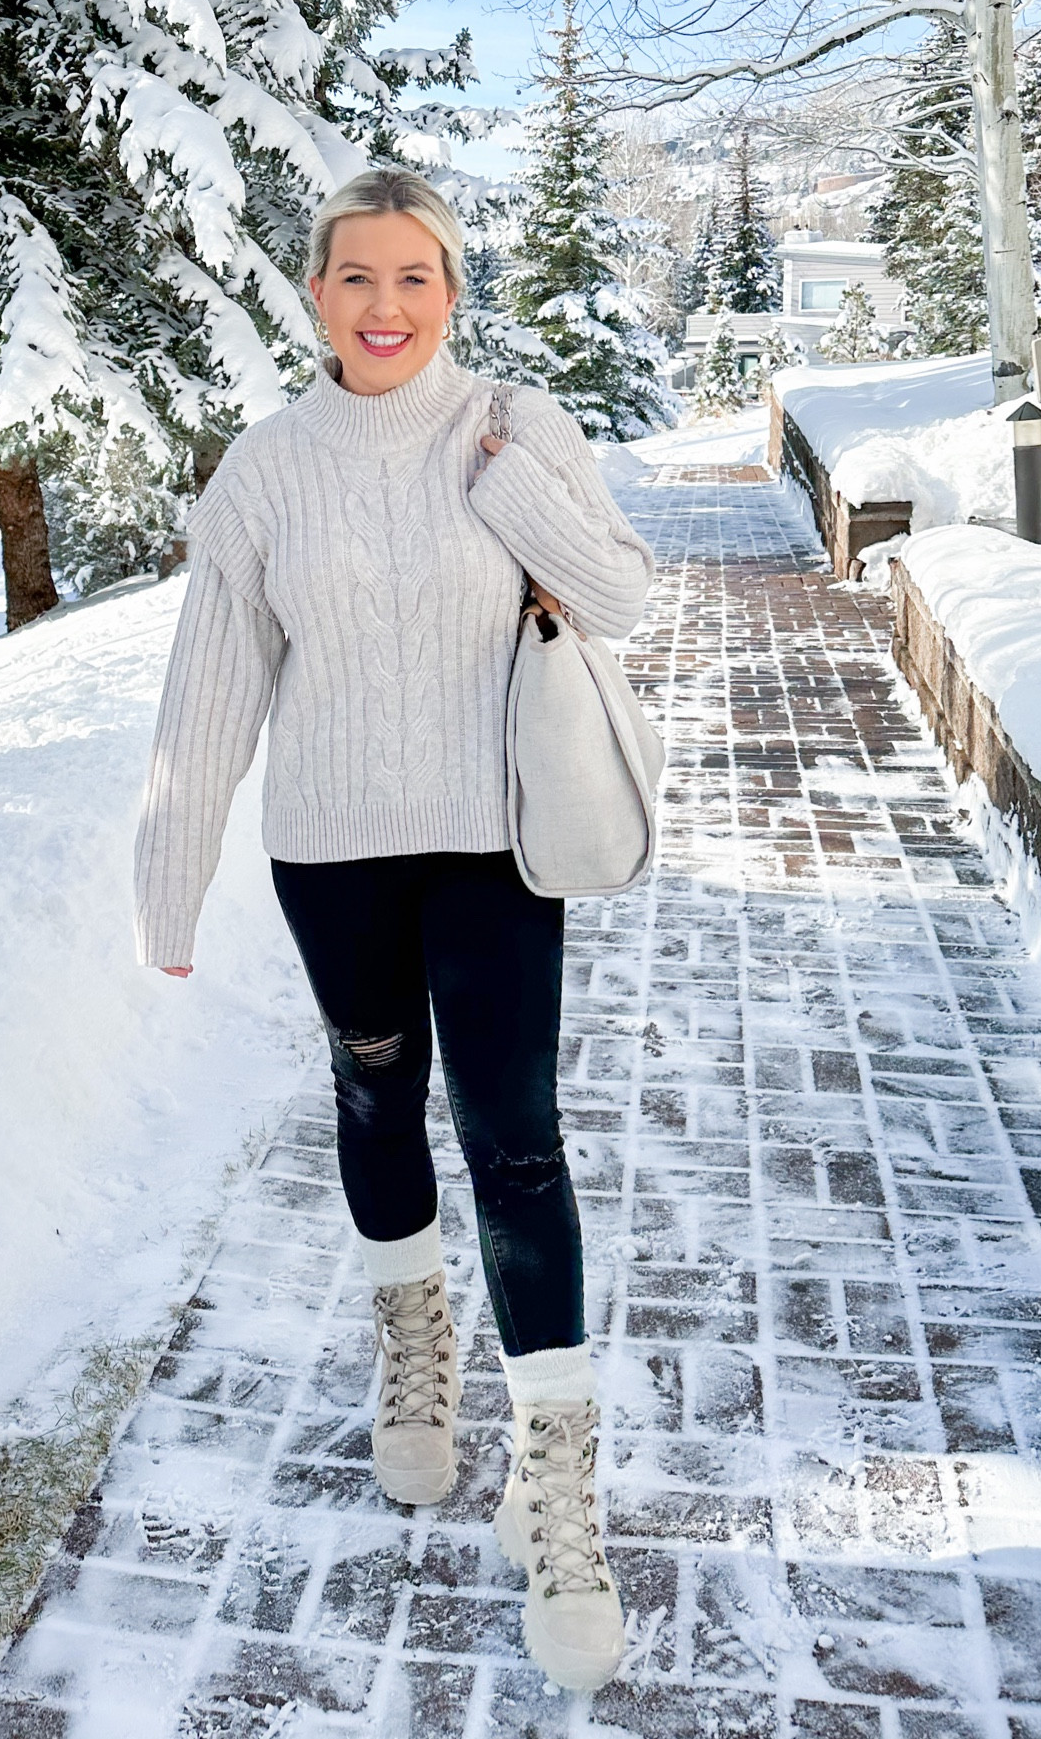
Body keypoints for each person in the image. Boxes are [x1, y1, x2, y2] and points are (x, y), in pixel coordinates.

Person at [133, 167, 654, 1692]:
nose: (383, 306)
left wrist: (510, 490)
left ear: (450, 288)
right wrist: (171, 873)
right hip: (334, 855)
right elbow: (211, 684)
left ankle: (553, 1480)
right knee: (374, 1093)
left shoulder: (513, 425)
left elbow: (620, 593)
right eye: (353, 277)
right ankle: (414, 1353)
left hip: (495, 842)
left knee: (516, 1136)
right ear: (312, 295)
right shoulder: (265, 469)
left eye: (412, 276)